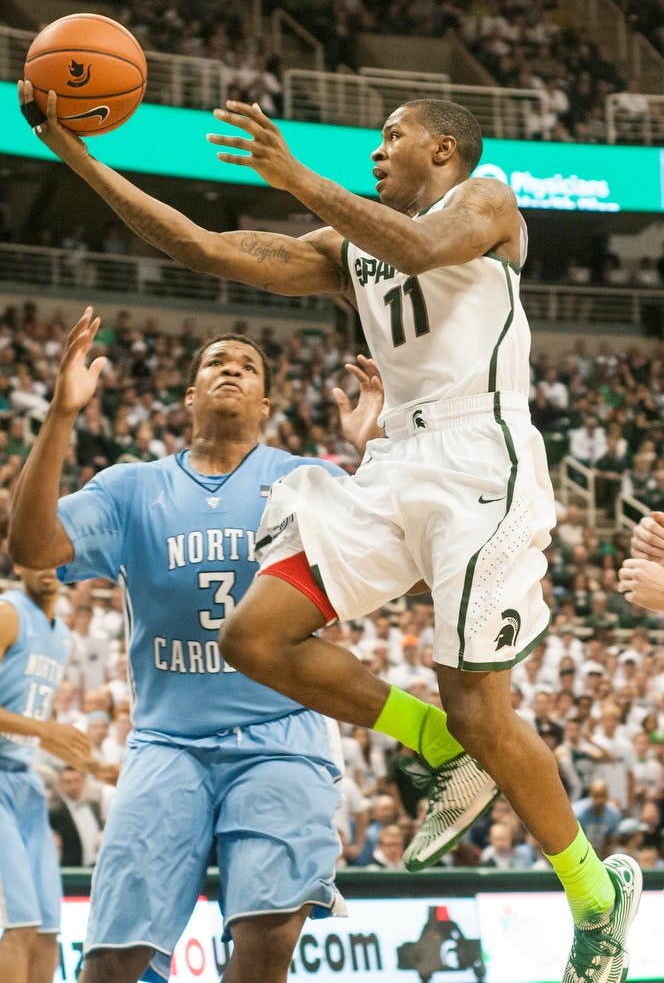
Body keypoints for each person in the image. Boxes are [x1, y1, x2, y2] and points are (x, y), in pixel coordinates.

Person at [18, 85, 641, 980]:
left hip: (480, 457)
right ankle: (431, 743)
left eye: (394, 136)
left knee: (482, 710)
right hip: (395, 460)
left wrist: (294, 174)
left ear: (446, 150)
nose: (378, 150)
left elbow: (423, 246)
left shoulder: (490, 198)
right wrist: (76, 158)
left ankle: (592, 890)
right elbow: (202, 247)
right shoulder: (352, 245)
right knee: (254, 635)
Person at [8, 310, 472, 983]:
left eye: (247, 366)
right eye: (215, 363)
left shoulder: (308, 480)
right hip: (168, 743)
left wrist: (379, 458)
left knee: (264, 943)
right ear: (190, 395)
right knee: (111, 961)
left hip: (281, 736)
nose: (231, 368)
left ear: (265, 404)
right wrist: (60, 415)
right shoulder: (132, 487)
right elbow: (30, 546)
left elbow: (405, 560)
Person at [0, 565, 92, 983]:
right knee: (16, 923)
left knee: (46, 929)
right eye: (34, 557)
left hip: (25, 781)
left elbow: (39, 725)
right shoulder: (8, 614)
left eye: (54, 557)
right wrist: (43, 730)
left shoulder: (62, 638)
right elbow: (40, 727)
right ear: (18, 564)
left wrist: (96, 766)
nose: (46, 567)